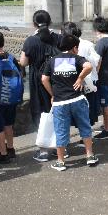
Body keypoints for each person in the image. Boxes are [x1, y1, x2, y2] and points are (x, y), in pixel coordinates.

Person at [41, 35, 99, 171]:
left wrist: (53, 95)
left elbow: (44, 79)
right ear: (74, 48)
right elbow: (89, 66)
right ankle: (90, 155)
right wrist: (80, 78)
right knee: (85, 127)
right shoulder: (77, 59)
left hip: (60, 102)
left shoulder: (52, 61)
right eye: (77, 47)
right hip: (77, 99)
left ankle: (61, 162)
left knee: (60, 130)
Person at [20, 10, 62, 163]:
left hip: (38, 81)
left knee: (40, 113)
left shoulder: (31, 40)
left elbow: (23, 63)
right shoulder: (58, 37)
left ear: (34, 23)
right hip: (57, 81)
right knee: (58, 112)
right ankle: (60, 148)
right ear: (50, 22)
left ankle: (44, 151)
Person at [0, 30, 22, 164]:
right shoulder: (12, 57)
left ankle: (3, 154)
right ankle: (11, 149)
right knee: (8, 124)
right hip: (12, 98)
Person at [61, 22, 101, 132]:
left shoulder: (63, 46)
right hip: (89, 83)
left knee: (71, 114)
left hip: (71, 85)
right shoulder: (87, 44)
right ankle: (86, 138)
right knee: (87, 112)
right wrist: (94, 74)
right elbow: (97, 61)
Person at [93, 17, 108, 140]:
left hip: (103, 78)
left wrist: (93, 77)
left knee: (105, 103)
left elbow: (97, 62)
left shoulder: (101, 43)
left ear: (97, 29)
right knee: (107, 103)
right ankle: (107, 126)